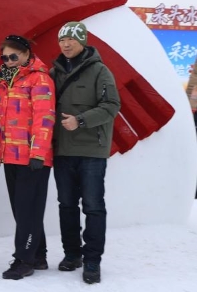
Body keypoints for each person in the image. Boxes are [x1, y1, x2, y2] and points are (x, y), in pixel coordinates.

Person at [50, 21, 121, 285]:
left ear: (83, 41)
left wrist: (80, 120)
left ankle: (92, 260)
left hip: (92, 150)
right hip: (63, 150)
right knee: (67, 205)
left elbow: (112, 105)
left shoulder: (100, 71)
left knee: (92, 206)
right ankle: (72, 255)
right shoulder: (54, 72)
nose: (66, 45)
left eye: (71, 40)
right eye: (62, 40)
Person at [0, 34, 56, 281]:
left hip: (32, 158)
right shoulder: (4, 82)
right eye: (5, 57)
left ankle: (23, 259)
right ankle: (38, 254)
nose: (9, 61)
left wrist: (38, 152)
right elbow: (1, 120)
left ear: (27, 54)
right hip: (11, 156)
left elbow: (45, 117)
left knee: (28, 210)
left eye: (14, 56)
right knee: (22, 210)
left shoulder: (39, 79)